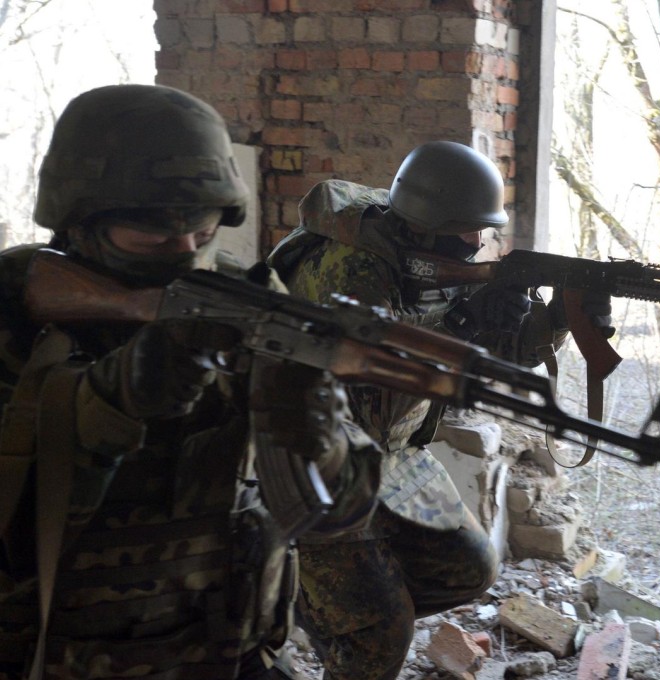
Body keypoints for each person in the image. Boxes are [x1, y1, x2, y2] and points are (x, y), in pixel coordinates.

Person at [0, 83, 381, 680]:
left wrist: (321, 443)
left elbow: (340, 516)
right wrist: (113, 400)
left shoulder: (251, 300)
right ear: (78, 222)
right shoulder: (16, 310)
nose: (183, 254)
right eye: (152, 238)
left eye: (202, 234)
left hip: (232, 652)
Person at [267, 140, 614, 680]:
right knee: (381, 635)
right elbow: (371, 385)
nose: (476, 243)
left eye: (482, 230)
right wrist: (464, 321)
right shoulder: (351, 270)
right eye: (465, 230)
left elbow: (507, 349)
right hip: (317, 457)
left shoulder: (438, 262)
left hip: (392, 455)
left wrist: (561, 318)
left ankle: (327, 606)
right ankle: (315, 605)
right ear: (424, 224)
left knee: (469, 568)